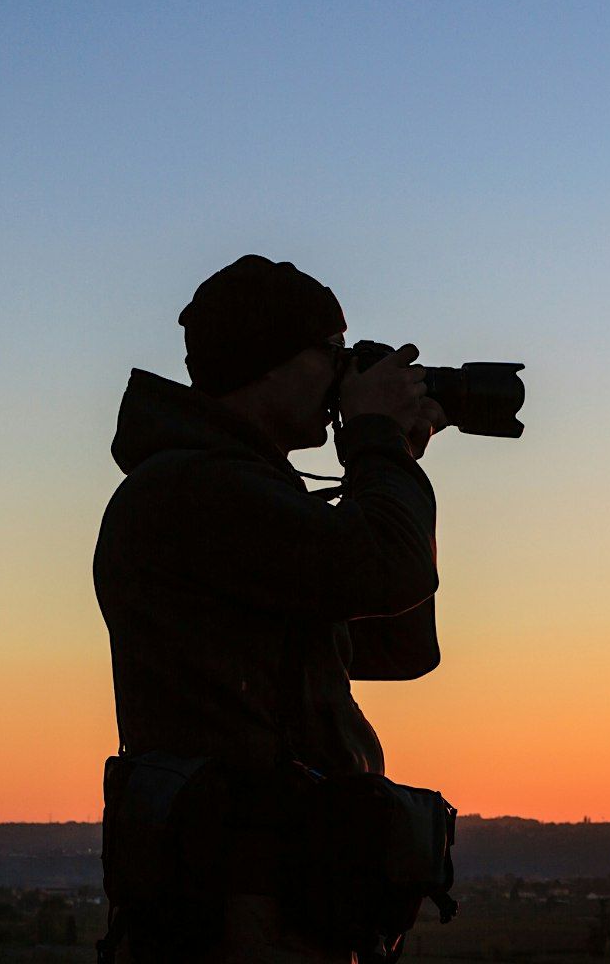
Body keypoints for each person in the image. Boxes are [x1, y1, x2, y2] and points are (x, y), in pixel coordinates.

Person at [94, 255, 448, 963]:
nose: (342, 375)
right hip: (242, 904)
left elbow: (401, 643)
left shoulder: (243, 495)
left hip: (281, 893)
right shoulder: (195, 491)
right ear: (271, 360)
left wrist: (394, 456)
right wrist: (379, 448)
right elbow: (386, 569)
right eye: (332, 352)